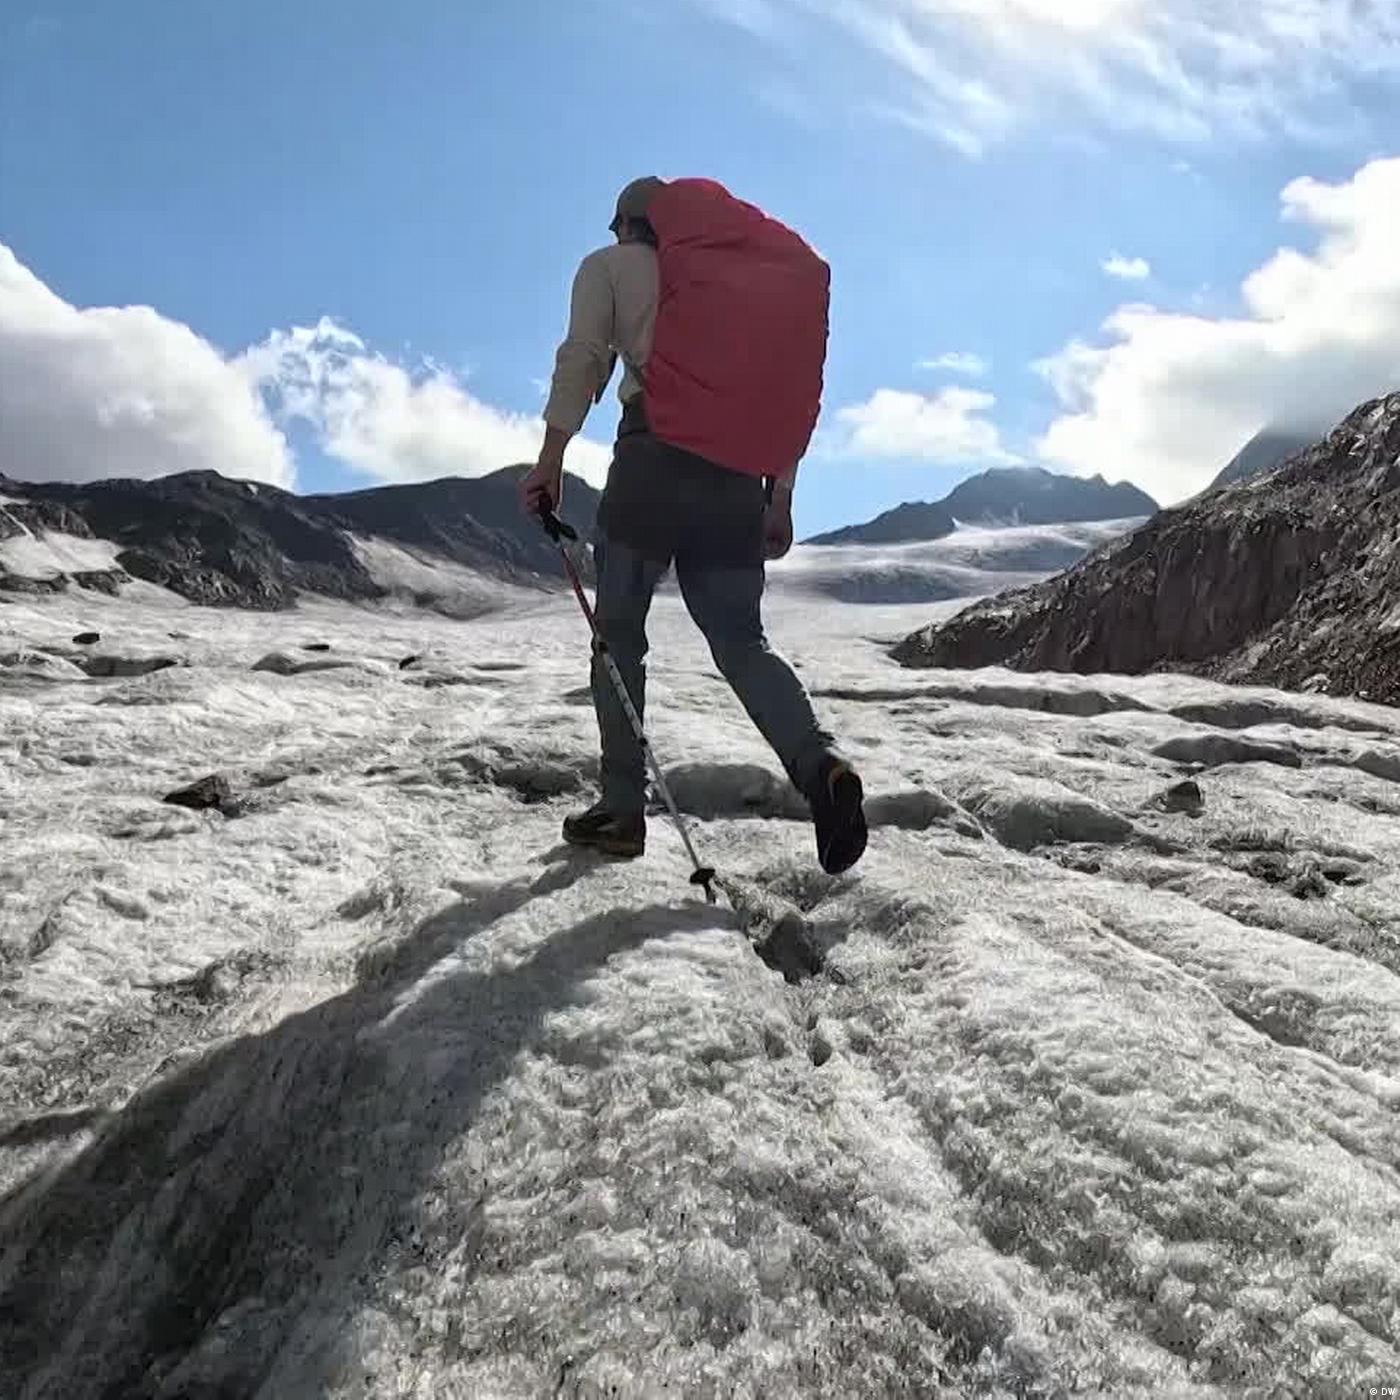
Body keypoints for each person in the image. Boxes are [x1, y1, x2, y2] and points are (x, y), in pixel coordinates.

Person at [519, 176, 867, 876]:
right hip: (739, 482)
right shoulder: (731, 282)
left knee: (618, 634)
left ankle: (622, 811)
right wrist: (781, 497)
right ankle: (820, 764)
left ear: (625, 224)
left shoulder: (610, 268)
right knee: (742, 641)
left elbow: (584, 357)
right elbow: (784, 394)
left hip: (654, 464)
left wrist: (550, 459)